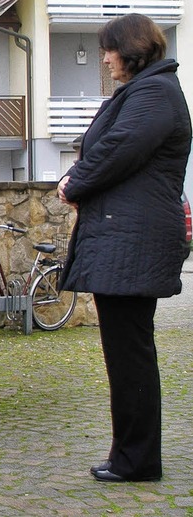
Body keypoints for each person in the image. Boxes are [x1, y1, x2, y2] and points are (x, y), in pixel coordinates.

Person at [57, 14, 191, 482]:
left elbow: (116, 148)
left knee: (130, 352)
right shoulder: (149, 92)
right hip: (125, 241)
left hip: (133, 243)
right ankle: (129, 455)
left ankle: (137, 461)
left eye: (110, 50)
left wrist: (75, 182)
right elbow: (109, 146)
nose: (106, 58)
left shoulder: (155, 93)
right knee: (127, 351)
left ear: (132, 49)